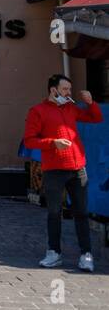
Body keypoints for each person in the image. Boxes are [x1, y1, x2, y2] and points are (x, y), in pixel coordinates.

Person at [23, 74, 102, 272]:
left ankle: (86, 254)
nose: (69, 93)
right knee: (54, 213)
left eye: (70, 89)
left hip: (78, 169)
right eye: (65, 89)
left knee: (82, 213)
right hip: (54, 170)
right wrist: (52, 143)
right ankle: (54, 253)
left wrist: (90, 102)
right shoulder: (38, 111)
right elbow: (29, 141)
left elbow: (96, 118)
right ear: (53, 90)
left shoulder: (71, 108)